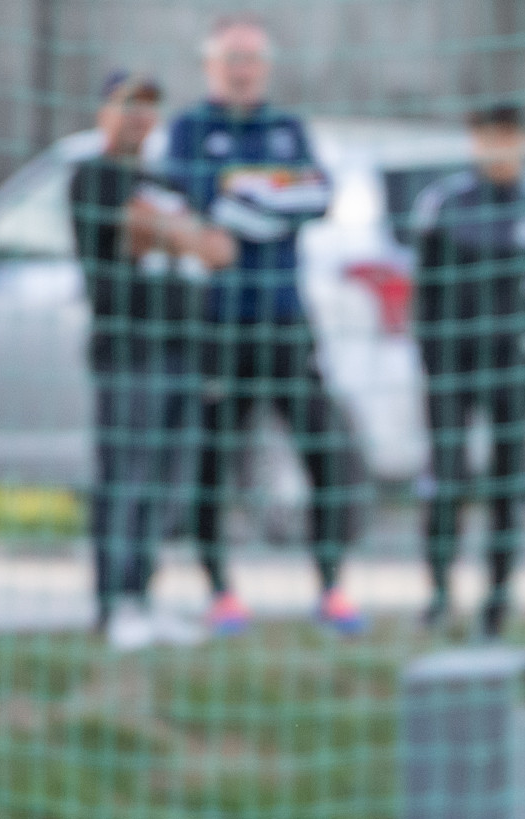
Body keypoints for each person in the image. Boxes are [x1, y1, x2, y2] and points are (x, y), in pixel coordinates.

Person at [167, 15, 362, 636]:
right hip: (220, 323)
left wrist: (244, 195)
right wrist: (271, 195)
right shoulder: (189, 129)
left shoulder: (288, 129)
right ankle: (220, 593)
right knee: (213, 458)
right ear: (210, 66)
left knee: (324, 449)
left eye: (251, 58)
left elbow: (317, 196)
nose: (242, 70)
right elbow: (203, 201)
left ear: (266, 68)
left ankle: (331, 588)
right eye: (231, 58)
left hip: (285, 318)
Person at [69, 71, 234, 651]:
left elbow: (217, 251)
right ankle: (113, 603)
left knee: (171, 481)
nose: (139, 117)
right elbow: (142, 233)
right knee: (127, 476)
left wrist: (174, 233)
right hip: (129, 349)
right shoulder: (93, 176)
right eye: (127, 106)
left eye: (148, 107)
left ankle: (142, 596)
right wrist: (182, 234)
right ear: (104, 113)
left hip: (183, 347)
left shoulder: (167, 181)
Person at [411, 103, 525, 637]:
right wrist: (433, 366)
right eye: (488, 137)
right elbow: (424, 295)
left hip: (512, 370)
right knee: (448, 478)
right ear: (474, 142)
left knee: (507, 485)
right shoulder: (445, 206)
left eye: (508, 136)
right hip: (453, 367)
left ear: (524, 141)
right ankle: (438, 597)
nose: (499, 147)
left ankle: (496, 604)